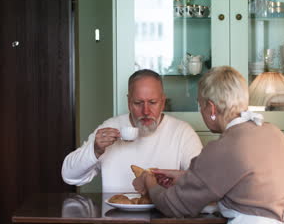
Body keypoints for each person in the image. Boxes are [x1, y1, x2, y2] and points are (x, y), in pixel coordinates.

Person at [133, 66, 284, 224]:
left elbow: (172, 206)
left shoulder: (222, 148)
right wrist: (185, 177)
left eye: (201, 105)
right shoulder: (273, 132)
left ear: (211, 108)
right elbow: (245, 179)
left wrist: (149, 182)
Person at [62, 69, 202, 193]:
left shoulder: (182, 132)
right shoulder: (111, 127)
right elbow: (69, 176)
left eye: (152, 103)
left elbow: (202, 182)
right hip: (115, 219)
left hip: (165, 218)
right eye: (138, 103)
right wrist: (95, 150)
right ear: (129, 102)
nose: (146, 111)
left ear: (163, 102)